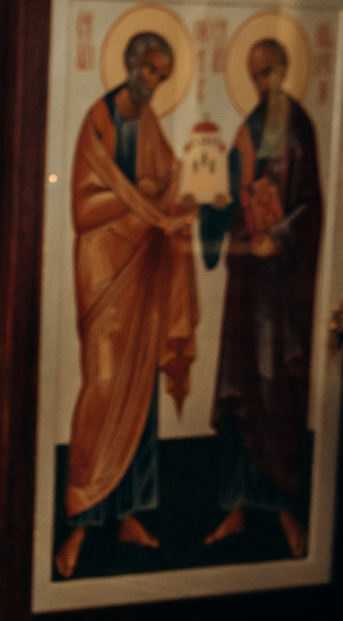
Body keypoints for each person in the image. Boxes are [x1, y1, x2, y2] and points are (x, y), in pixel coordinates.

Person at [55, 30, 198, 579]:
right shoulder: (100, 120)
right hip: (105, 269)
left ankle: (128, 515)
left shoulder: (153, 125)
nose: (154, 82)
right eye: (149, 70)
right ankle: (83, 516)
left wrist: (171, 195)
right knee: (106, 384)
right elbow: (86, 206)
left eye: (163, 75)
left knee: (141, 392)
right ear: (131, 64)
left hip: (144, 273)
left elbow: (158, 190)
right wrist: (143, 197)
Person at [197, 38, 321, 558]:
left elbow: (311, 204)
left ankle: (286, 508)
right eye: (255, 74)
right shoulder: (247, 132)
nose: (263, 82)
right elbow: (222, 199)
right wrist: (215, 209)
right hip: (248, 285)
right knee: (242, 391)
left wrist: (283, 236)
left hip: (283, 291)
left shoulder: (299, 129)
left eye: (269, 71)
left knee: (277, 391)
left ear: (286, 69)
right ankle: (237, 506)